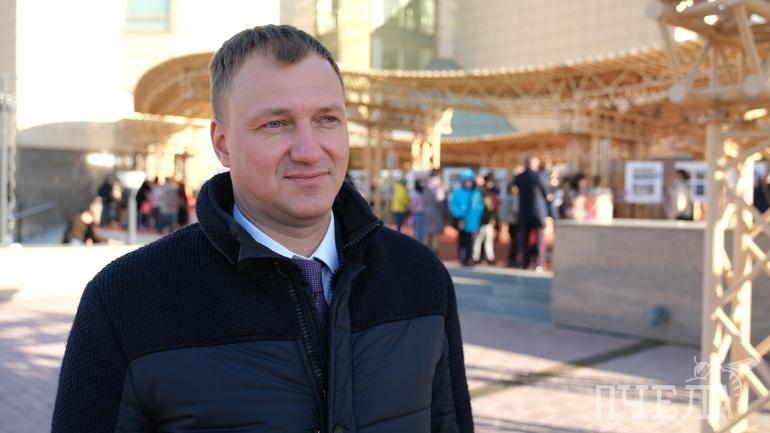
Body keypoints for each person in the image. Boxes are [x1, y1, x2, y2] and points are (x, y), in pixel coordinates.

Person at [52, 25, 472, 433]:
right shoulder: (126, 300)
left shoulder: (419, 277)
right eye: (276, 123)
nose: (309, 151)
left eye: (327, 119)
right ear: (222, 143)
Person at [514, 155, 551, 271]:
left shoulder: (519, 177)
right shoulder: (540, 176)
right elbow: (547, 192)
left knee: (524, 238)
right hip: (538, 211)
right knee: (540, 238)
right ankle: (539, 263)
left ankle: (525, 262)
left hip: (524, 210)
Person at [449, 169, 485, 266]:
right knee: (462, 239)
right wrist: (459, 213)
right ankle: (462, 257)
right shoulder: (458, 192)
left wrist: (478, 217)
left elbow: (480, 206)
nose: (469, 183)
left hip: (473, 222)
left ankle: (468, 258)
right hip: (462, 221)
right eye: (467, 181)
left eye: (470, 181)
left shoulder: (476, 193)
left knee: (470, 240)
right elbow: (453, 205)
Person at [424, 169, 448, 255]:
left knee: (428, 235)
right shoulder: (439, 190)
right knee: (435, 236)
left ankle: (426, 253)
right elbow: (442, 205)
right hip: (437, 215)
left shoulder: (427, 188)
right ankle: (433, 254)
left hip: (428, 214)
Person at [499, 182, 519, 267]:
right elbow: (515, 209)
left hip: (510, 221)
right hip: (515, 221)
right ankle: (513, 259)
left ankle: (512, 258)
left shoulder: (507, 197)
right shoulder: (514, 197)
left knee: (513, 241)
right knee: (515, 241)